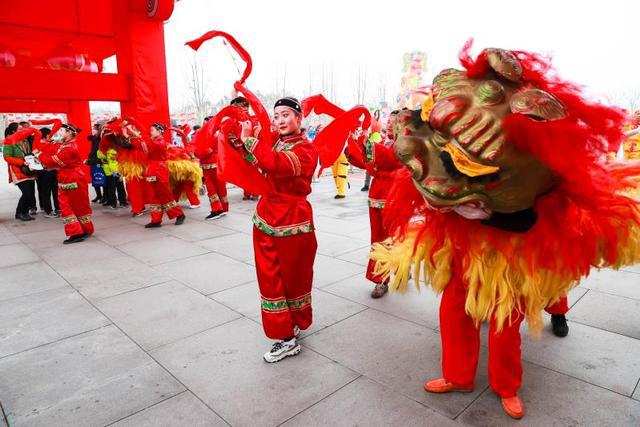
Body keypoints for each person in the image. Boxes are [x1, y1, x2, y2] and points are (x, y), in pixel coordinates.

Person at [239, 97, 318, 363]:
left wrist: (252, 141)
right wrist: (240, 140)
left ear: (299, 118)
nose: (281, 120)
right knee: (272, 278)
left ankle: (288, 336)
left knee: (290, 278)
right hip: (267, 216)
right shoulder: (279, 142)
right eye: (276, 116)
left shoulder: (306, 150)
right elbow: (260, 162)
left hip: (291, 220)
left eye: (286, 115)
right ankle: (286, 329)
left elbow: (276, 164)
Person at [346, 110, 402, 298]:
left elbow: (389, 159)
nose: (388, 124)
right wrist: (354, 149)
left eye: (394, 122)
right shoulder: (385, 143)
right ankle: (381, 279)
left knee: (392, 240)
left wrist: (367, 143)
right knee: (378, 240)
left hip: (394, 198)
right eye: (388, 121)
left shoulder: (404, 146)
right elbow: (370, 164)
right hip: (377, 196)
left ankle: (396, 271)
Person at [34, 124, 94, 244]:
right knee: (79, 205)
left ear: (70, 133)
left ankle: (75, 233)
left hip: (70, 178)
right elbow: (53, 147)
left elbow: (52, 161)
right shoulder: (66, 145)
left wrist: (38, 154)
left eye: (62, 131)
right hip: (73, 177)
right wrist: (43, 145)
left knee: (66, 206)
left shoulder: (68, 148)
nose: (59, 133)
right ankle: (85, 229)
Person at [120, 122, 185, 227]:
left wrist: (131, 132)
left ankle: (179, 214)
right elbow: (138, 145)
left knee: (165, 195)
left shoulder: (160, 142)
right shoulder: (153, 141)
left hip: (159, 170)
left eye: (152, 130)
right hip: (152, 170)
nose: (150, 132)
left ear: (159, 132)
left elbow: (144, 143)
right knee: (155, 196)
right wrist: (128, 135)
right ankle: (156, 219)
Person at [3, 122, 37, 221]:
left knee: (30, 193)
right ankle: (19, 213)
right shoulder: (9, 141)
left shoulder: (25, 140)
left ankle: (25, 212)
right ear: (14, 131)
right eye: (20, 129)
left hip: (28, 169)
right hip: (17, 169)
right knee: (26, 193)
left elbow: (28, 154)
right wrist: (22, 162)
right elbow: (7, 157)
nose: (23, 130)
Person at [36, 127, 60, 218]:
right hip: (45, 171)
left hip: (54, 170)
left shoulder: (49, 143)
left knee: (55, 190)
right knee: (46, 192)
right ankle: (48, 211)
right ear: (46, 135)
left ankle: (58, 208)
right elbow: (38, 158)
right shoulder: (39, 145)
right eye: (50, 134)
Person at [87, 123, 105, 203]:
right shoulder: (93, 137)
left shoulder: (101, 137)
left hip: (99, 161)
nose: (93, 129)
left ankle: (104, 196)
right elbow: (89, 137)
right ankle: (98, 195)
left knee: (101, 178)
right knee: (94, 178)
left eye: (95, 128)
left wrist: (101, 128)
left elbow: (98, 135)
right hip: (92, 161)